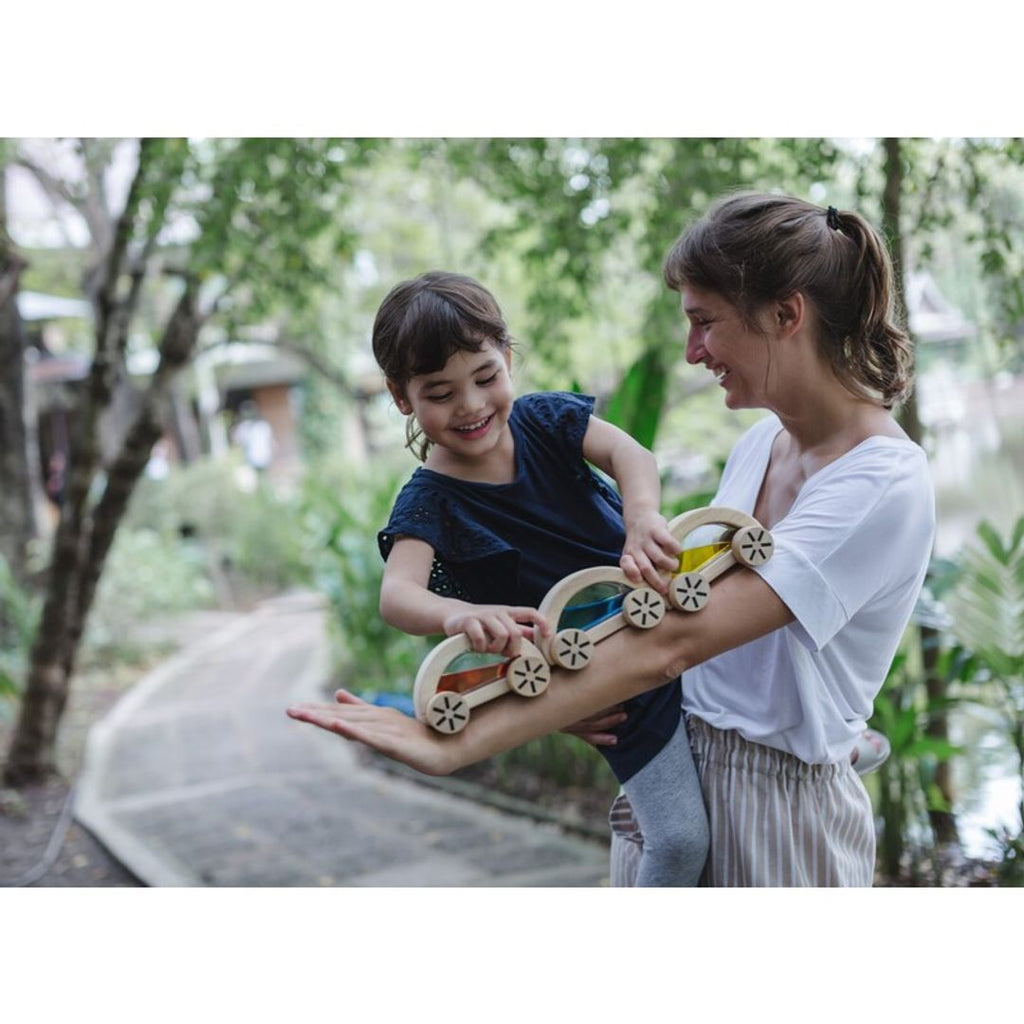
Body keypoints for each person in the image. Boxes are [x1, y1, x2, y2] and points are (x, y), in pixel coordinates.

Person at [288, 194, 936, 887]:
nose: (691, 352)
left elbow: (674, 642)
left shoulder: (880, 482)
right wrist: (569, 694)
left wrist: (470, 740)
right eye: (441, 392)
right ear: (403, 396)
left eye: (704, 322)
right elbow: (678, 626)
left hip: (774, 815)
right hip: (677, 754)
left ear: (786, 314)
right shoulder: (760, 444)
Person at [366, 270, 709, 887]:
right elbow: (397, 595)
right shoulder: (428, 503)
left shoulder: (547, 420)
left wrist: (641, 518)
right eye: (439, 393)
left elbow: (632, 455)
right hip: (605, 681)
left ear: (508, 358)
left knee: (768, 595)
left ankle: (838, 736)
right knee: (681, 839)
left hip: (671, 608)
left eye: (485, 377)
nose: (470, 405)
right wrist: (455, 616)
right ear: (401, 397)